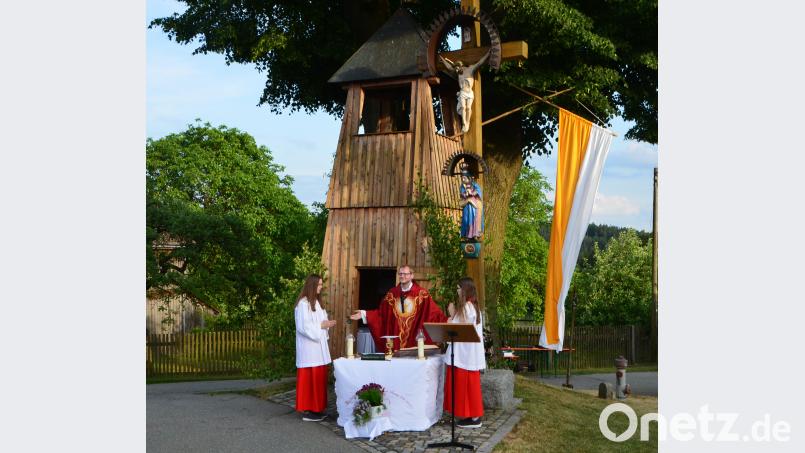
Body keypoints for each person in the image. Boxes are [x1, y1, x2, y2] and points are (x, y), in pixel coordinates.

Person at [349, 265, 447, 351]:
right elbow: (382, 314)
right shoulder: (392, 294)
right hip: (396, 339)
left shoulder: (421, 294)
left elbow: (433, 313)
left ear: (411, 275)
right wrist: (364, 314)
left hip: (414, 336)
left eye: (405, 274)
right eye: (400, 274)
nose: (402, 276)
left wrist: (446, 321)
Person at [443, 277, 486, 429]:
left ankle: (474, 418)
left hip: (464, 355)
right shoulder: (471, 307)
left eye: (459, 288)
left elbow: (457, 330)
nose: (457, 291)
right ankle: (470, 416)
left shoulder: (467, 308)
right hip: (466, 354)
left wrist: (451, 314)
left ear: (465, 290)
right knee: (467, 386)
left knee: (468, 386)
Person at [295, 274, 337, 422]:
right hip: (309, 351)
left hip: (318, 350)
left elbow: (321, 322)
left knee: (318, 380)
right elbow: (303, 327)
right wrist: (321, 325)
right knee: (310, 381)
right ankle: (310, 411)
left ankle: (318, 409)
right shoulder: (303, 304)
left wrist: (327, 324)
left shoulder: (317, 303)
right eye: (319, 284)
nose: (321, 287)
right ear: (312, 285)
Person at [440, 51, 490, 133]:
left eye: (457, 69)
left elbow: (480, 63)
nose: (456, 71)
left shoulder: (470, 69)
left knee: (468, 108)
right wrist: (443, 60)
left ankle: (467, 122)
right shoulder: (458, 73)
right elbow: (449, 68)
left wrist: (488, 53)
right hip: (462, 92)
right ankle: (464, 123)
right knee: (463, 107)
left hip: (469, 93)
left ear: (461, 66)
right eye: (456, 69)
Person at [458, 164, 483, 240]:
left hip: (474, 206)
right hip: (467, 205)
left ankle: (474, 234)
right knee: (466, 219)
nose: (463, 179)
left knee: (474, 219)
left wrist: (472, 193)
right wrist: (465, 194)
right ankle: (467, 234)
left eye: (464, 178)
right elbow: (462, 194)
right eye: (462, 178)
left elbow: (479, 192)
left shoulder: (474, 184)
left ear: (468, 177)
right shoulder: (462, 186)